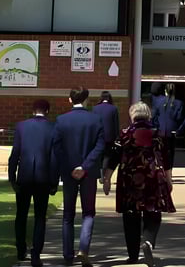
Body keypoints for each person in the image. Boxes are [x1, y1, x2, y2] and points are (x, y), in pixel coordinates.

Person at [107, 102, 175, 267]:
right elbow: (166, 159)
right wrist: (169, 179)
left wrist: (107, 178)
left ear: (132, 116)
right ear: (148, 116)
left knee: (131, 216)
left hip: (130, 180)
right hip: (153, 178)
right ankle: (148, 242)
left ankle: (132, 255)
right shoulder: (158, 134)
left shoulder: (124, 134)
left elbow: (114, 157)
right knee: (153, 214)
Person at [52, 87, 106, 267]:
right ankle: (83, 249)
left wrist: (70, 167)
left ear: (69, 100)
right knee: (88, 212)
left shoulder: (61, 120)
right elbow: (100, 146)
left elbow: (57, 148)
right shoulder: (95, 119)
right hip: (88, 172)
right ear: (87, 99)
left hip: (68, 173)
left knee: (68, 215)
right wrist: (85, 166)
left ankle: (68, 254)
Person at [8, 99, 58, 267]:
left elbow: (15, 153)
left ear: (32, 110)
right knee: (40, 217)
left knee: (21, 215)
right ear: (47, 111)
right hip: (43, 177)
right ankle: (36, 253)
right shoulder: (53, 128)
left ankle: (21, 249)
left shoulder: (22, 126)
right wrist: (54, 181)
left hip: (25, 175)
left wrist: (11, 176)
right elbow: (54, 157)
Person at [151, 83, 184, 168]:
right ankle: (169, 171)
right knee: (171, 152)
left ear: (165, 91)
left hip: (161, 130)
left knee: (161, 152)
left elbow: (154, 117)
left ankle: (161, 171)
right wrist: (178, 129)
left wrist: (156, 126)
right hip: (172, 131)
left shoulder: (158, 102)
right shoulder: (179, 103)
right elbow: (179, 118)